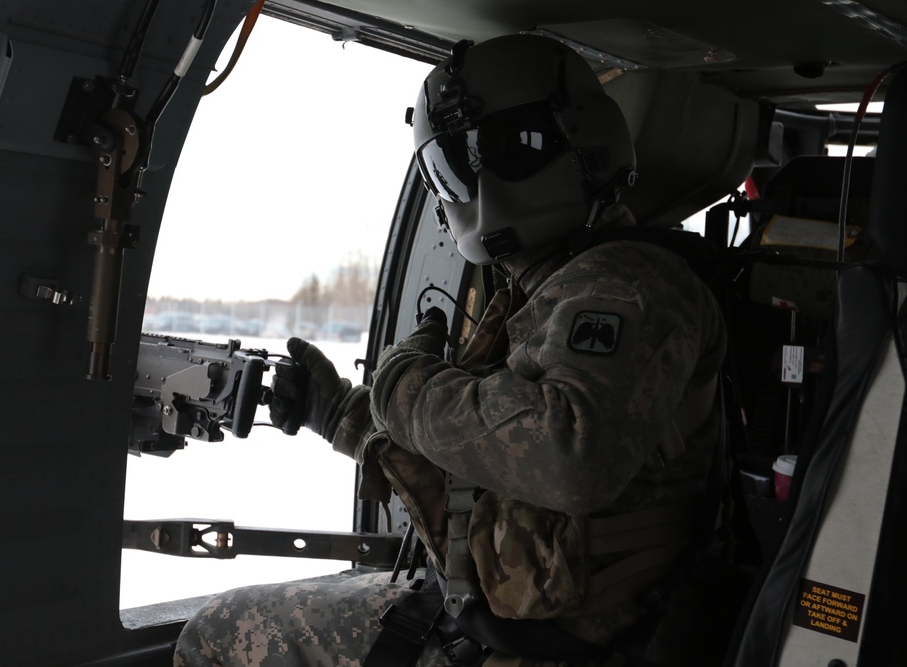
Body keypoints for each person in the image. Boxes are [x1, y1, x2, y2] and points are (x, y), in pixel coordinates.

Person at [174, 33, 727, 667]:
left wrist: (401, 386)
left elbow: (565, 453)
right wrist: (346, 419)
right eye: (452, 165)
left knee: (211, 636)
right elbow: (493, 463)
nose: (476, 181)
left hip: (586, 644)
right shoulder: (553, 289)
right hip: (522, 626)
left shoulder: (626, 286)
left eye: (506, 150)